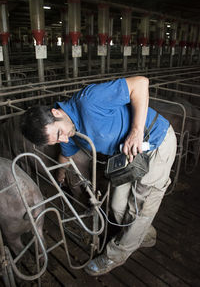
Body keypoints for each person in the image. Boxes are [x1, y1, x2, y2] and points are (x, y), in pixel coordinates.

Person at [21, 76, 177, 276]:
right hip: (128, 154)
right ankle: (143, 234)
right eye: (56, 139)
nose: (64, 138)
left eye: (59, 132)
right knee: (117, 206)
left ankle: (115, 255)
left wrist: (136, 131)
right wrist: (60, 173)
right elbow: (65, 153)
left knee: (141, 206)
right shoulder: (69, 131)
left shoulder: (89, 100)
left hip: (155, 141)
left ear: (56, 112)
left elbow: (140, 83)